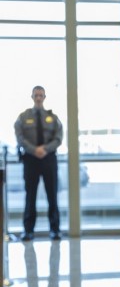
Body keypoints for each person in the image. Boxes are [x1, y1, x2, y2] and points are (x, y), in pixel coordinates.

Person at [15, 86, 63, 241]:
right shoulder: (23, 117)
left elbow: (58, 138)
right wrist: (34, 150)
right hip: (31, 160)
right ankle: (28, 231)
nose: (38, 98)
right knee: (30, 196)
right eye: (36, 95)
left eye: (41, 95)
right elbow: (20, 137)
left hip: (49, 159)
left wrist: (45, 149)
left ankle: (55, 230)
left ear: (44, 97)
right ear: (32, 97)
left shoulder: (53, 117)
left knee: (52, 195)